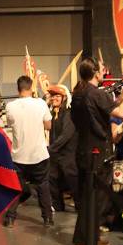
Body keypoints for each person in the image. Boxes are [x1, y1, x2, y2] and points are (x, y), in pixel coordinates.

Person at [70, 56, 123, 245]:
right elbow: (120, 112)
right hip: (97, 151)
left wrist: (121, 98)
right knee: (96, 198)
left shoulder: (78, 92)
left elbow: (104, 109)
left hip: (83, 149)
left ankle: (85, 238)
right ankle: (86, 241)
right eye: (102, 68)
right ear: (95, 72)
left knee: (89, 197)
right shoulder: (96, 93)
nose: (104, 71)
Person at [4, 75, 54, 227]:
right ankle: (47, 219)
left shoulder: (10, 106)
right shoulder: (41, 103)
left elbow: (11, 124)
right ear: (32, 87)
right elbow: (48, 126)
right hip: (38, 154)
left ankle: (11, 218)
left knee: (16, 187)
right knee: (43, 186)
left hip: (18, 155)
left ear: (18, 88)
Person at [46, 84, 78, 212]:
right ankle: (58, 205)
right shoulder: (53, 113)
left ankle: (80, 206)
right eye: (52, 95)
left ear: (64, 98)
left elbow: (66, 135)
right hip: (56, 154)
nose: (54, 98)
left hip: (67, 154)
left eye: (57, 95)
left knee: (73, 181)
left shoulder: (68, 113)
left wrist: (51, 149)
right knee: (52, 178)